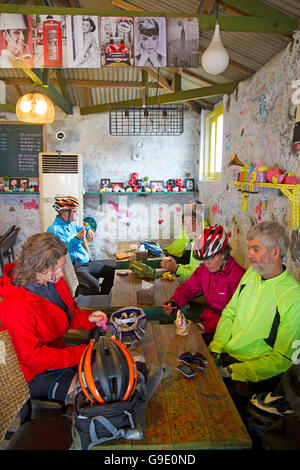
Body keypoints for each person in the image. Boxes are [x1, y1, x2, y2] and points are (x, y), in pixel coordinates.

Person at [0, 232, 107, 404]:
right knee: (89, 390)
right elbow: (32, 357)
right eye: (55, 269)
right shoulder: (15, 305)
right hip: (30, 372)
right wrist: (79, 353)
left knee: (102, 371)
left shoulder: (53, 282)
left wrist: (88, 319)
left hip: (56, 354)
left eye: (61, 267)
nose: (60, 274)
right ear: (37, 267)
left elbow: (68, 314)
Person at [208, 221, 300, 404]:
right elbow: (230, 312)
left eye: (255, 249)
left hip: (255, 373)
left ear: (275, 252)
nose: (249, 255)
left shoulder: (293, 296)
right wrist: (216, 349)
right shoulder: (252, 274)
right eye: (249, 249)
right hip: (227, 357)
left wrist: (234, 372)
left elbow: (282, 358)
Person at [163, 225, 245, 341]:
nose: (206, 263)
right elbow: (188, 288)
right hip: (210, 320)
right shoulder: (204, 270)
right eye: (203, 259)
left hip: (229, 330)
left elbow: (238, 317)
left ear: (223, 254)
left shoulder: (238, 277)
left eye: (210, 258)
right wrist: (175, 301)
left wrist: (205, 327)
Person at [47, 196, 115, 296]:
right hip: (76, 266)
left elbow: (80, 228)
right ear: (64, 212)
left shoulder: (69, 225)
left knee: (113, 273)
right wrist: (77, 239)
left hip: (85, 262)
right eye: (74, 211)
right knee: (94, 285)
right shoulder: (55, 229)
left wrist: (88, 229)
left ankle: (101, 299)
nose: (76, 213)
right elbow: (63, 250)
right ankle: (93, 305)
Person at [163, 201, 209, 279]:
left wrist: (176, 268)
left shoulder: (203, 239)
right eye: (185, 223)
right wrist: (176, 266)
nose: (187, 227)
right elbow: (192, 267)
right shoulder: (194, 238)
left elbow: (199, 276)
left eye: (191, 223)